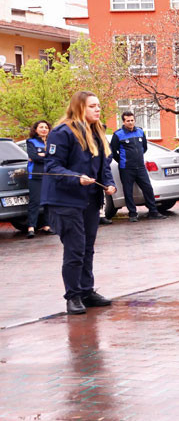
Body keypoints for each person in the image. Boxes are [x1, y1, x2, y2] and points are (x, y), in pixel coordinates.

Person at [42, 92, 118, 314]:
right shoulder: (62, 132)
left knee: (87, 248)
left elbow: (104, 165)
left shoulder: (97, 131)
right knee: (75, 249)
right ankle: (73, 296)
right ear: (79, 108)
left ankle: (86, 290)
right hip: (65, 201)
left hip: (90, 200)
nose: (97, 109)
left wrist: (110, 183)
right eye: (92, 106)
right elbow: (52, 167)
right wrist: (77, 177)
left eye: (98, 106)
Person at [110, 110, 167, 221]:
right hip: (126, 168)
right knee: (128, 191)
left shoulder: (140, 132)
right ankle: (132, 214)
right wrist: (122, 161)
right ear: (124, 121)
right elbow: (112, 151)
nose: (130, 123)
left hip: (140, 167)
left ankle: (153, 211)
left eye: (132, 120)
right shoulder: (118, 134)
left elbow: (144, 148)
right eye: (128, 121)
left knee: (148, 189)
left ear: (134, 120)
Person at [24, 120, 52, 238]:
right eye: (41, 127)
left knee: (48, 202)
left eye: (46, 127)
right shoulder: (31, 142)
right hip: (35, 175)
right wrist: (46, 156)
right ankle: (31, 227)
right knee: (35, 202)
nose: (44, 129)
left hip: (50, 175)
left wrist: (43, 155)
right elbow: (34, 157)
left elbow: (56, 157)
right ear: (36, 129)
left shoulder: (51, 142)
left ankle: (46, 225)